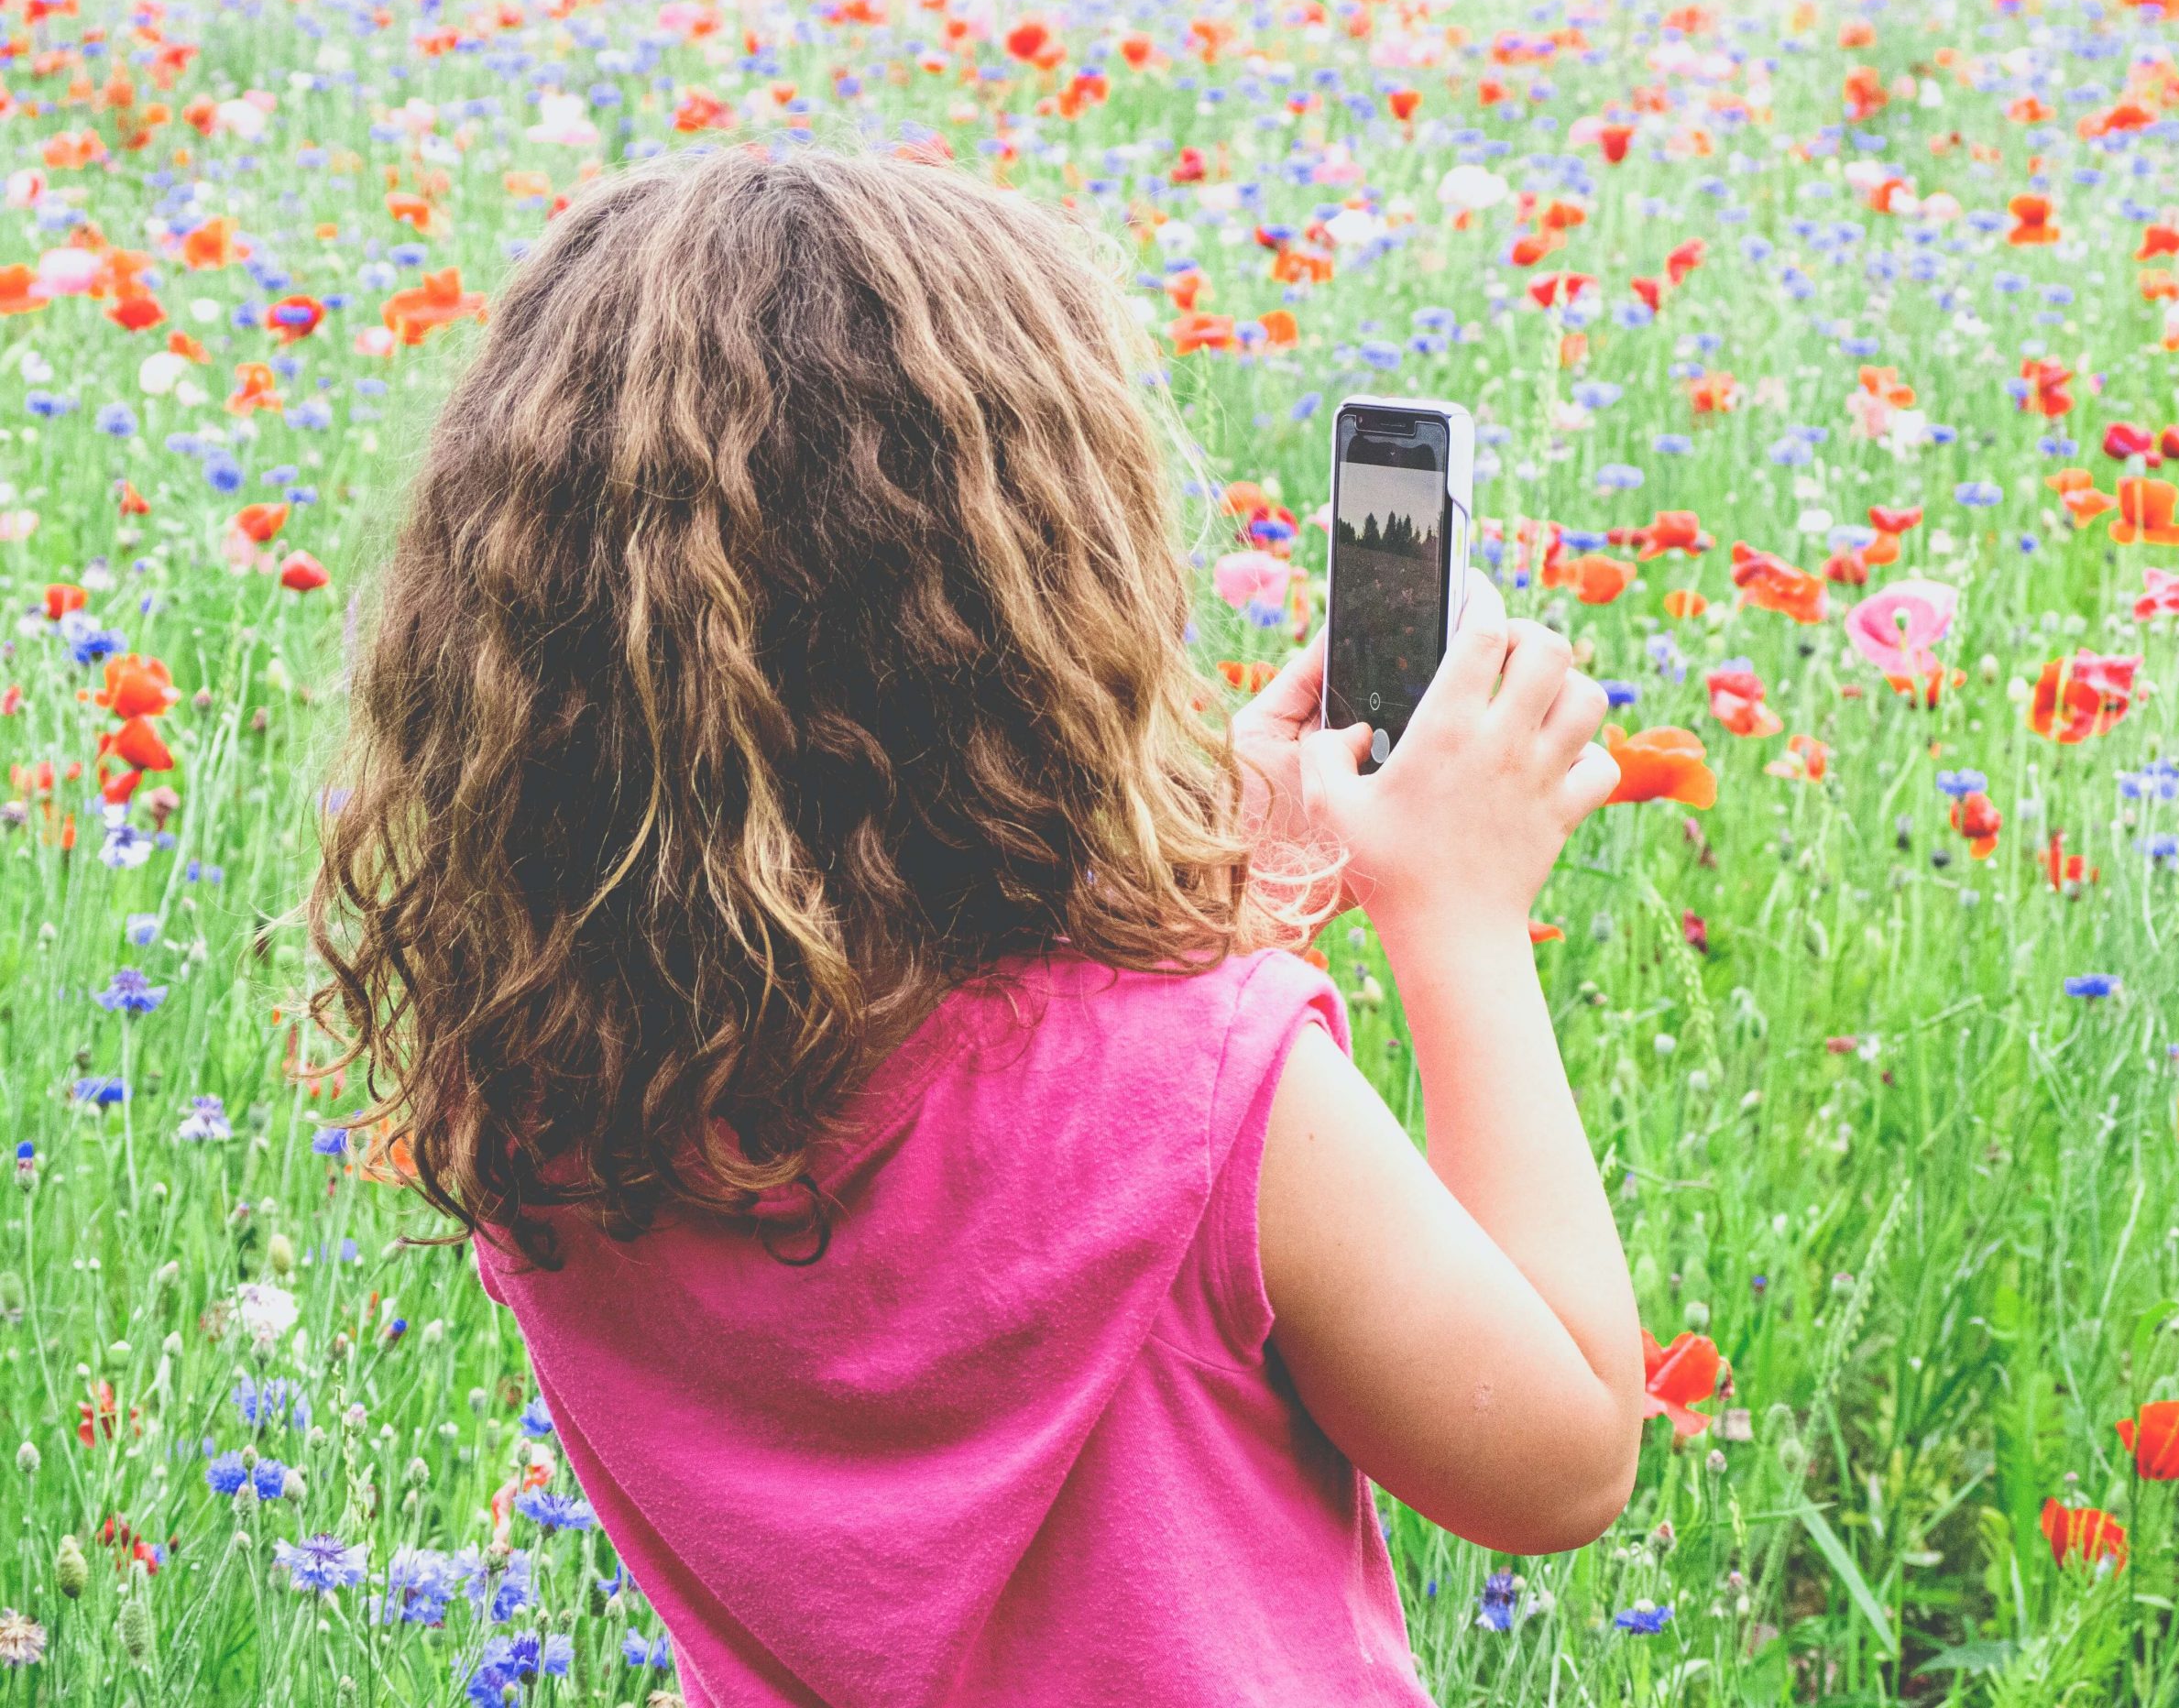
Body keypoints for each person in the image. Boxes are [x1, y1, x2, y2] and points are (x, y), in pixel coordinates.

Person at [310, 147, 1642, 1707]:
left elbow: (942, 1118)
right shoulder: (1217, 1097)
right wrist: (1456, 918)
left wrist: (1231, 897)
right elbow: (1558, 1466)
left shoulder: (544, 1093)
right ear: (1044, 606)